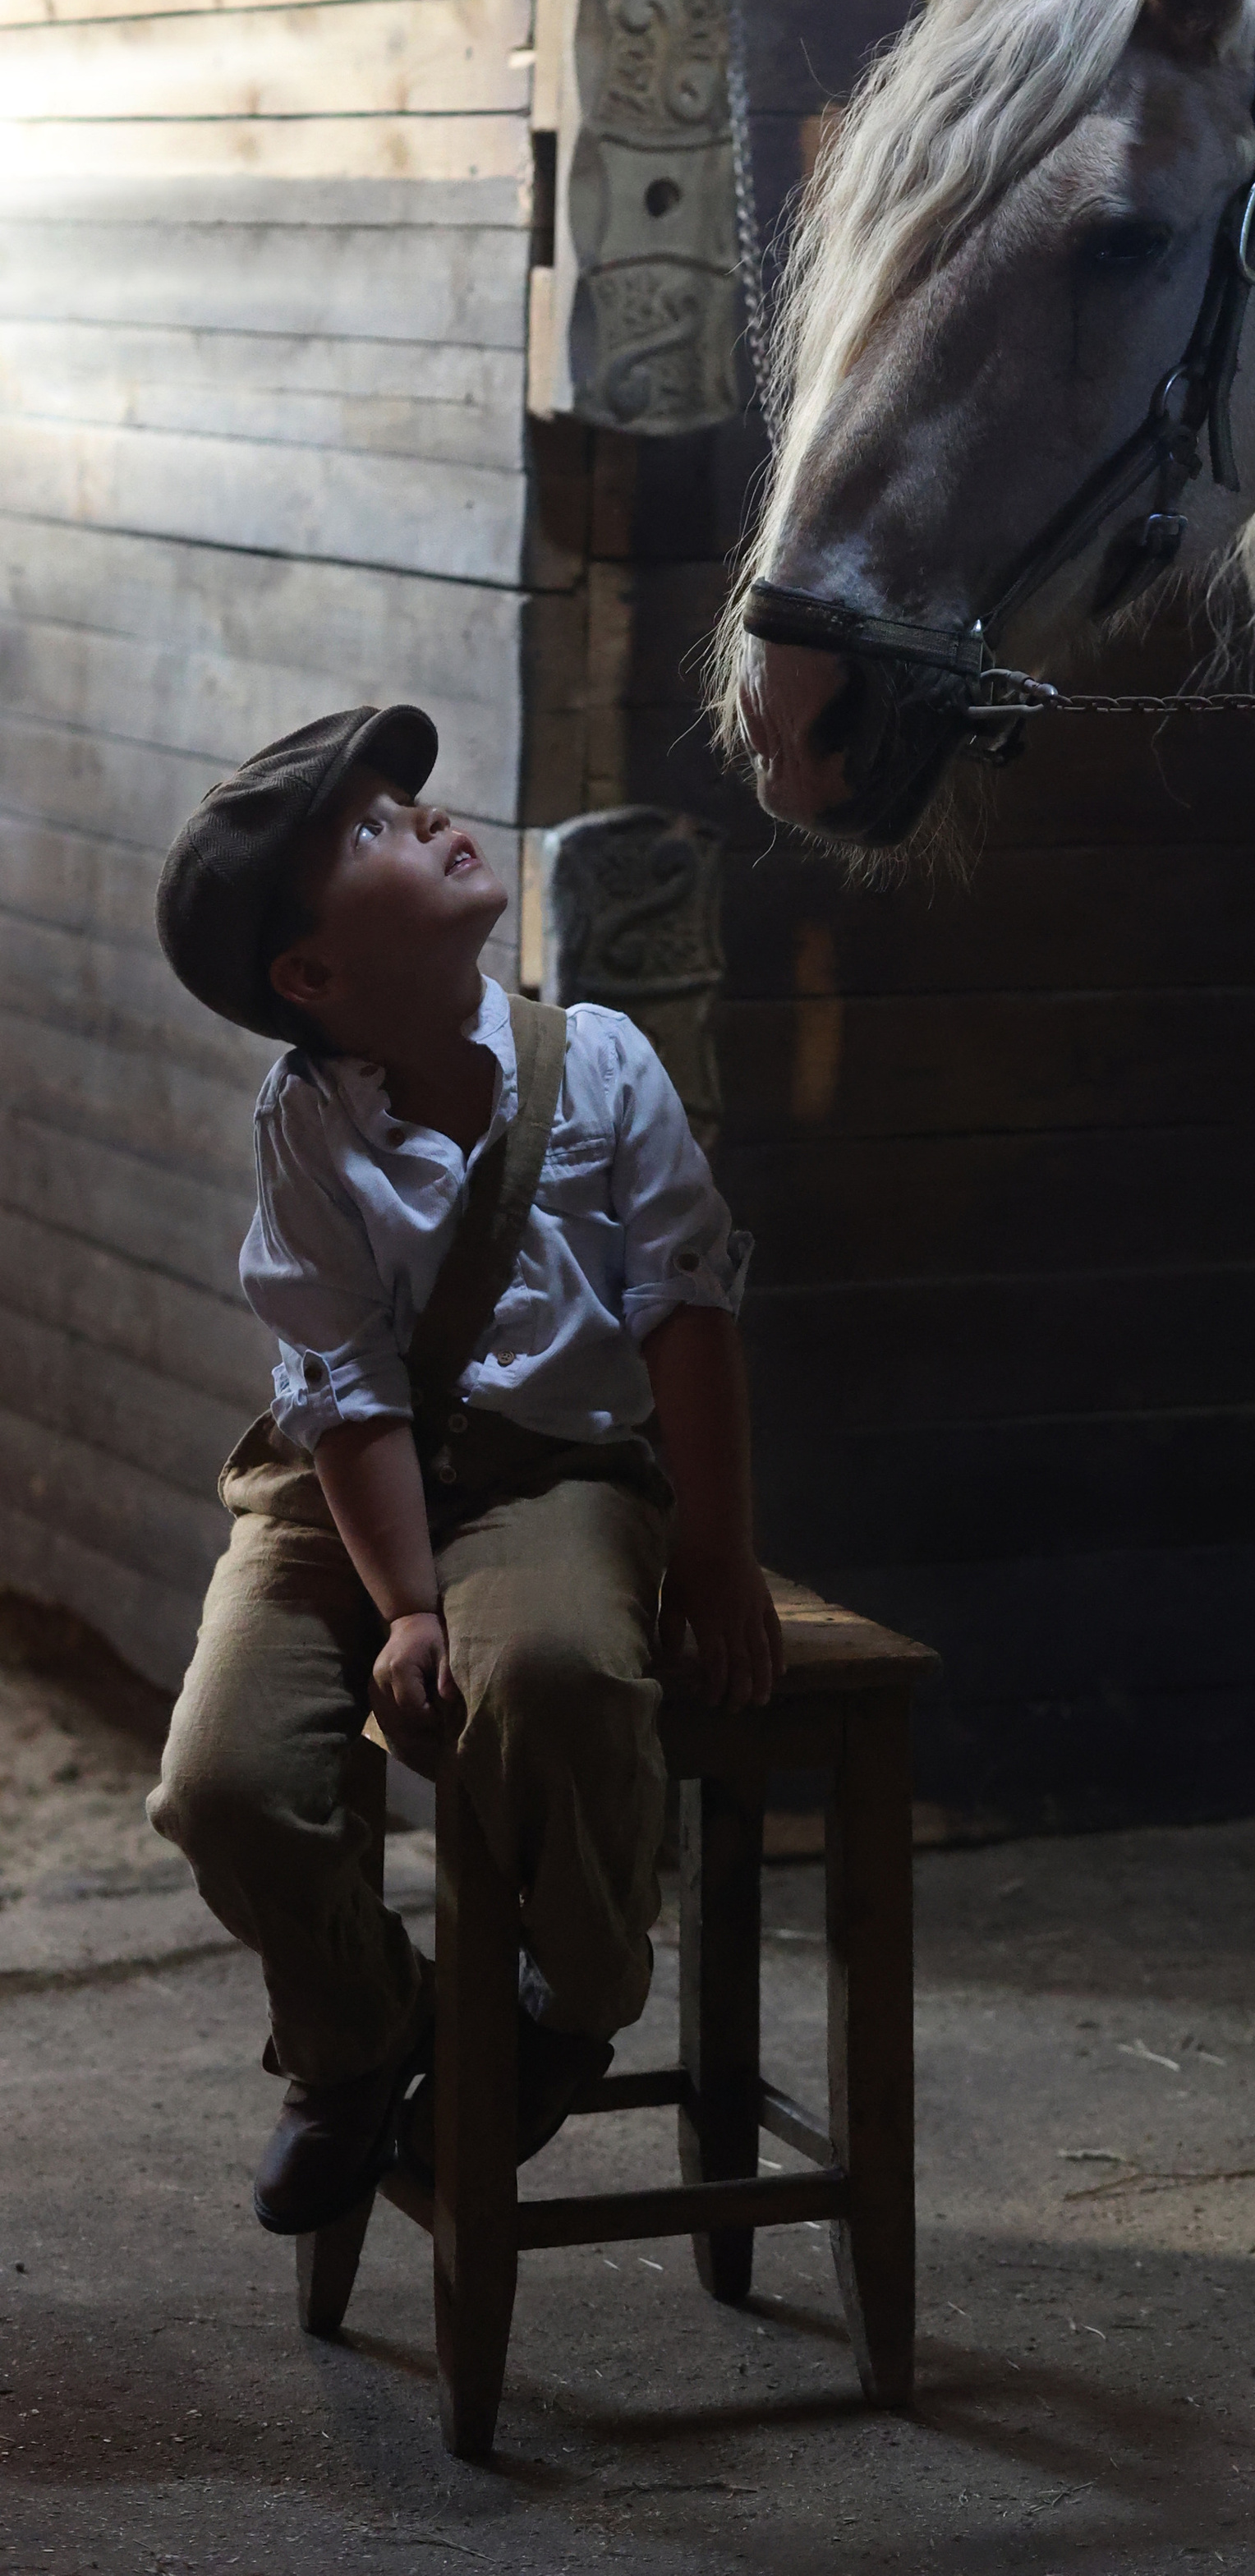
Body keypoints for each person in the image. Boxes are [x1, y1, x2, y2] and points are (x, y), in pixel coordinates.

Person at [148, 704, 780, 2236]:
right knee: (225, 1780)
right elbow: (346, 1383)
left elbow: (688, 1316)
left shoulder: (604, 1065)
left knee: (560, 1679)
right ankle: (361, 2038)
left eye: (406, 803)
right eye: (369, 830)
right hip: (343, 1491)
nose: (426, 821)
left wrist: (712, 1553)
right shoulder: (307, 1122)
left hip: (550, 1476)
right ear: (313, 979)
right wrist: (410, 1611)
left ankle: (571, 2001)